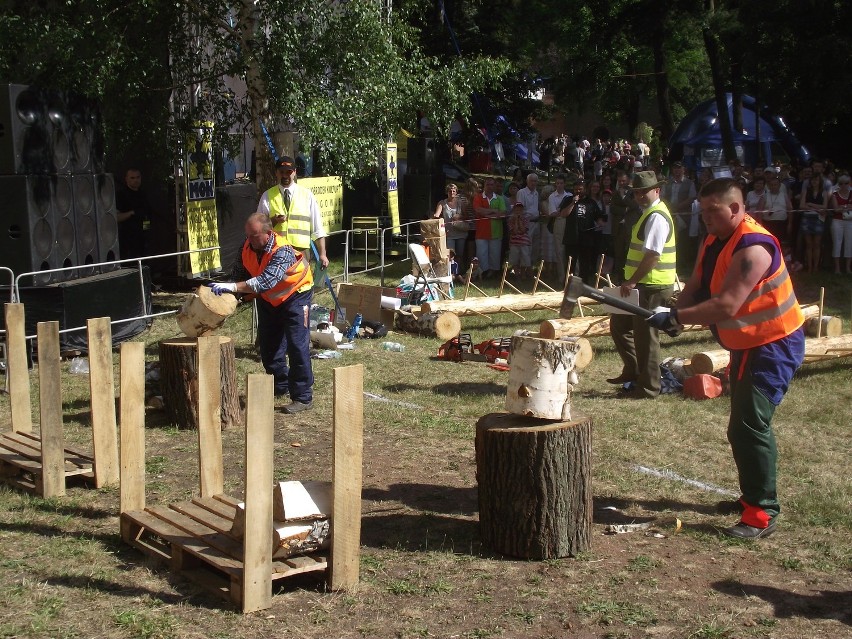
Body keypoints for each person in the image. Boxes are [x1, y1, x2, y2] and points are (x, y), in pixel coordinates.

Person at [649, 178, 805, 539]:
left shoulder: (754, 248)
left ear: (736, 208)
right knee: (742, 424)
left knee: (749, 425)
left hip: (773, 346)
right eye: (702, 211)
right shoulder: (714, 240)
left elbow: (726, 304)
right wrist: (676, 311)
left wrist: (675, 318)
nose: (706, 218)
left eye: (713, 211)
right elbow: (697, 284)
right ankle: (752, 496)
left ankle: (762, 513)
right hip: (748, 343)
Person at [211, 213, 315, 414]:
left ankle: (302, 396)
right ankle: (279, 385)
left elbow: (266, 281)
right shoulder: (248, 246)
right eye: (247, 235)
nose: (249, 240)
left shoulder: (282, 250)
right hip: (268, 298)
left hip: (296, 295)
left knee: (297, 344)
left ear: (268, 233)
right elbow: (240, 273)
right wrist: (228, 291)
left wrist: (232, 287)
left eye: (254, 235)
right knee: (269, 345)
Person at [608, 171, 677, 399]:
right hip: (641, 285)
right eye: (636, 192)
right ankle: (633, 371)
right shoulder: (647, 213)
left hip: (651, 286)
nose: (639, 196)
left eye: (643, 191)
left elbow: (653, 256)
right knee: (619, 325)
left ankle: (648, 388)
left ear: (657, 190)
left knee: (646, 339)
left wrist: (633, 280)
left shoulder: (656, 216)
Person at [256, 156, 328, 268]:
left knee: (302, 284)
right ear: (276, 173)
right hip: (276, 253)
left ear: (295, 172)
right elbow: (259, 228)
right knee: (280, 285)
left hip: (301, 253)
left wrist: (322, 254)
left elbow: (317, 228)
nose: (285, 176)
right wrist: (273, 221)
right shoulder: (267, 196)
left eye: (288, 172)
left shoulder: (307, 195)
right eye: (281, 172)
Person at [472, 177, 506, 278]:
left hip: (496, 231)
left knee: (494, 254)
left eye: (492, 185)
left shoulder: (499, 198)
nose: (490, 187)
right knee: (481, 254)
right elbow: (478, 210)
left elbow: (503, 213)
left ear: (494, 186)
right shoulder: (478, 197)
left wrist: (486, 213)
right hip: (481, 232)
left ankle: (493, 272)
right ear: (484, 186)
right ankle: (482, 272)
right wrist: (494, 211)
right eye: (488, 185)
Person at [115, 168, 151, 259]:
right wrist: (132, 213)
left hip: (142, 237)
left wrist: (146, 232)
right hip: (127, 238)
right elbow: (116, 217)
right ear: (126, 179)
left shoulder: (143, 194)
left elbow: (146, 215)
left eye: (138, 177)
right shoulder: (121, 195)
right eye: (132, 178)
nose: (136, 180)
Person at [798, 172, 829, 273]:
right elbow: (802, 206)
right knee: (809, 244)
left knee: (817, 244)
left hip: (819, 219)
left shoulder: (824, 192)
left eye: (816, 180)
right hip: (807, 219)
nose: (814, 182)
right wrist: (817, 208)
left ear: (820, 181)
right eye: (813, 180)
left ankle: (816, 267)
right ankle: (810, 267)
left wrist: (811, 204)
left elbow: (825, 207)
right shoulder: (806, 191)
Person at [434, 183, 468, 263]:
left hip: (461, 233)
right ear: (447, 192)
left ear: (456, 192)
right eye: (450, 191)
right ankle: (451, 273)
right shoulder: (442, 203)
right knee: (450, 255)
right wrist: (437, 217)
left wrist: (459, 217)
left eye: (453, 191)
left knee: (460, 255)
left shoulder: (460, 202)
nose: (452, 193)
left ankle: (458, 272)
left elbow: (467, 216)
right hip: (449, 234)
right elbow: (436, 216)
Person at [828, 173, 852, 273]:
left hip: (849, 221)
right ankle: (837, 268)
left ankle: (847, 268)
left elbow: (840, 208)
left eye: (846, 183)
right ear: (839, 184)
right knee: (837, 243)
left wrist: (842, 207)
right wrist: (846, 207)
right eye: (841, 183)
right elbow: (836, 209)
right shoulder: (835, 195)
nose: (844, 185)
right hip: (837, 221)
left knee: (849, 244)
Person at [507, 201, 531, 278]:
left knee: (524, 258)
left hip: (524, 242)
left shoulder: (526, 219)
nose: (518, 211)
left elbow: (524, 230)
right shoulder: (510, 220)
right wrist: (516, 221)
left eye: (520, 210)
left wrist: (520, 221)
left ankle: (523, 274)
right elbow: (514, 231)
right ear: (514, 210)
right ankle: (517, 275)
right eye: (516, 210)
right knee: (515, 259)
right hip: (514, 242)